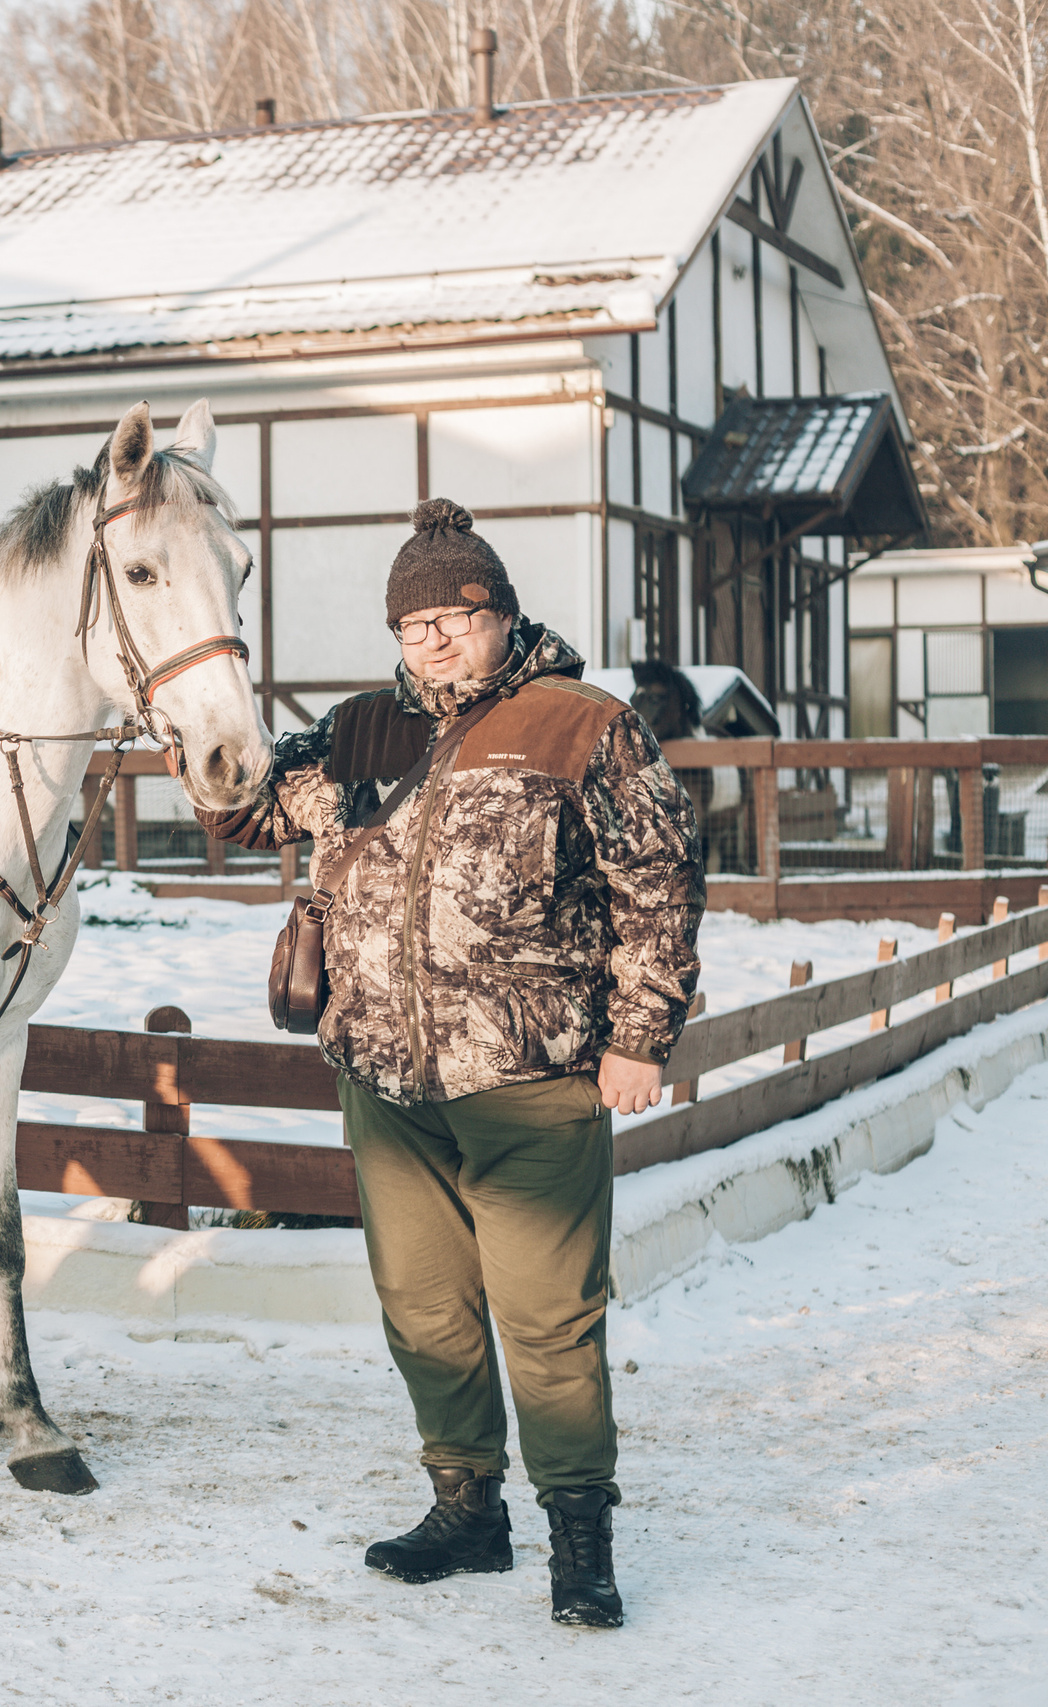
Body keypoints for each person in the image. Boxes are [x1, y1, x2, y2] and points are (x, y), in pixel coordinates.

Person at [196, 499, 702, 1629]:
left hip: (530, 1077)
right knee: (423, 1308)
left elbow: (660, 885)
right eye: (412, 624)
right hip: (384, 1076)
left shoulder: (582, 725)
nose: (432, 641)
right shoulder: (361, 729)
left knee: (549, 1320)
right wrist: (198, 717)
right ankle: (467, 1511)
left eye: (455, 619)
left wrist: (639, 1037)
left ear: (503, 615)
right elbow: (244, 810)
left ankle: (580, 1541)